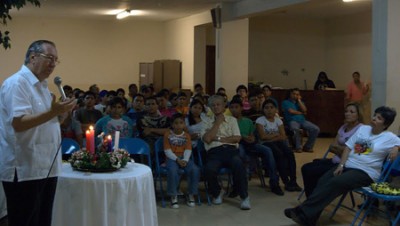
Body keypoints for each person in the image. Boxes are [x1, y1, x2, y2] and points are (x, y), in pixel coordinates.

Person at [0, 40, 77, 226]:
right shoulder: (17, 83)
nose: (52, 64)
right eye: (49, 58)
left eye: (56, 60)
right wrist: (53, 112)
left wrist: (60, 115)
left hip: (46, 165)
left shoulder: (42, 86)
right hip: (25, 168)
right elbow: (19, 123)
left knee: (43, 220)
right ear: (33, 57)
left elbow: (47, 121)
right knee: (25, 221)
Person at [284, 106, 400, 226]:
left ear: (385, 124)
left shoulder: (389, 137)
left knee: (336, 182)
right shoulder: (364, 129)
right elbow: (348, 148)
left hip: (366, 172)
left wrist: (397, 147)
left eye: (379, 118)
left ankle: (301, 211)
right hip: (348, 166)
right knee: (323, 180)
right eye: (374, 115)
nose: (374, 119)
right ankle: (309, 219)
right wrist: (341, 165)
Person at [301, 103, 363, 197]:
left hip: (344, 165)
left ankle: (313, 200)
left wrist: (342, 150)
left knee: (311, 171)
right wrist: (344, 149)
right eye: (346, 111)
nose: (347, 114)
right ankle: (311, 198)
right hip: (335, 160)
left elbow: (355, 153)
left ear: (358, 115)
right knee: (306, 167)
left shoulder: (361, 129)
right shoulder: (343, 127)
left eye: (352, 112)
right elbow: (332, 146)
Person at [200, 95, 251, 210]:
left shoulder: (232, 120)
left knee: (239, 164)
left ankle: (244, 197)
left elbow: (237, 138)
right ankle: (218, 192)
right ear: (210, 108)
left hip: (230, 150)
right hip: (214, 152)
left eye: (218, 104)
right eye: (213, 105)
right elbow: (207, 139)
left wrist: (218, 138)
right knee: (209, 169)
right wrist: (217, 123)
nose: (216, 107)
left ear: (224, 107)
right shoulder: (206, 121)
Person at [229, 98, 284, 196]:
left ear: (241, 108)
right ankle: (238, 185)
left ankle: (274, 182)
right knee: (241, 154)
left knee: (268, 150)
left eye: (236, 107)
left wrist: (252, 138)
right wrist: (242, 137)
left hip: (251, 144)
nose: (234, 110)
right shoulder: (228, 122)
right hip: (237, 144)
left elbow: (253, 135)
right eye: (232, 107)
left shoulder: (248, 121)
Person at [256, 99, 302, 192]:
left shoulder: (278, 120)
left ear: (276, 109)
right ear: (263, 110)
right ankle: (286, 182)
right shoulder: (260, 120)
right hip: (265, 144)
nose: (269, 110)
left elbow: (283, 136)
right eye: (266, 108)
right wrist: (276, 135)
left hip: (277, 142)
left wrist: (273, 137)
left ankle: (293, 181)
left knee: (290, 153)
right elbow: (263, 137)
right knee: (279, 154)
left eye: (271, 107)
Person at [163, 113, 200, 209]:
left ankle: (191, 194)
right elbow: (167, 151)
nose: (178, 125)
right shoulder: (168, 134)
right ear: (172, 124)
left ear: (184, 124)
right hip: (172, 158)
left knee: (194, 169)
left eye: (181, 123)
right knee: (172, 171)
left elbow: (188, 149)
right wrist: (177, 160)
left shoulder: (187, 135)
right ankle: (173, 195)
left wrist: (185, 160)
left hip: (184, 157)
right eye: (176, 123)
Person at [282, 88, 320, 153]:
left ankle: (308, 147)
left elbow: (305, 110)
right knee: (295, 129)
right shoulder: (285, 102)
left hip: (302, 120)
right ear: (290, 94)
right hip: (292, 120)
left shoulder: (300, 102)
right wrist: (301, 113)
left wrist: (299, 100)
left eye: (297, 94)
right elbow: (291, 111)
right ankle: (298, 147)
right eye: (294, 94)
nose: (295, 95)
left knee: (316, 129)